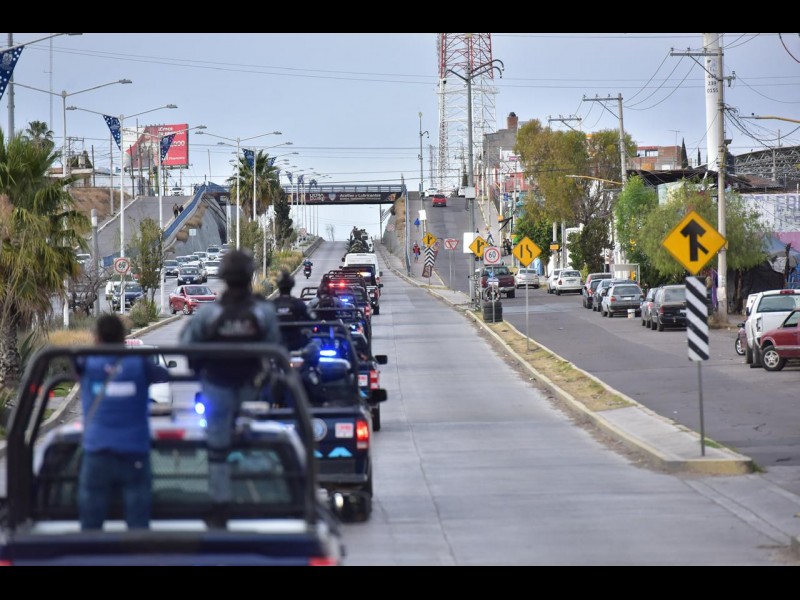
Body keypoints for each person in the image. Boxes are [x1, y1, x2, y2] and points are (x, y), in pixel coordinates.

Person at [179, 249, 282, 527]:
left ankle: (221, 505)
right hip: (252, 387)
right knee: (258, 441)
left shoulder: (209, 313)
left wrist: (200, 370)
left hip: (217, 387)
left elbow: (187, 345)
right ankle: (260, 497)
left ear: (223, 277)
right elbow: (275, 347)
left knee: (217, 450)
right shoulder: (263, 312)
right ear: (249, 276)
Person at [73, 313, 169, 531]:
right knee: (138, 522)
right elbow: (162, 374)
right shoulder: (139, 363)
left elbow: (75, 365)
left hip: (97, 451)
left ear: (97, 337)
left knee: (91, 522)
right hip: (134, 452)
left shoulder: (87, 363)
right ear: (123, 338)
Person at [270, 268, 313, 351]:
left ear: (278, 285)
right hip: (296, 343)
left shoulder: (271, 304)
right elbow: (311, 318)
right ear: (292, 285)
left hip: (276, 345)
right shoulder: (298, 303)